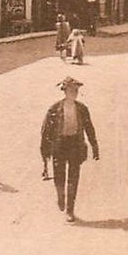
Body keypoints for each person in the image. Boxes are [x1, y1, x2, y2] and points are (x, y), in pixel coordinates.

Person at [40, 77, 99, 222]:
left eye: (77, 91)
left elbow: (89, 128)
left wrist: (94, 146)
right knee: (59, 177)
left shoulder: (82, 109)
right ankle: (61, 195)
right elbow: (46, 132)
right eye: (72, 90)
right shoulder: (54, 109)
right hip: (59, 146)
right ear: (65, 91)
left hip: (75, 145)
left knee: (74, 177)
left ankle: (70, 210)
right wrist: (45, 153)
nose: (75, 93)